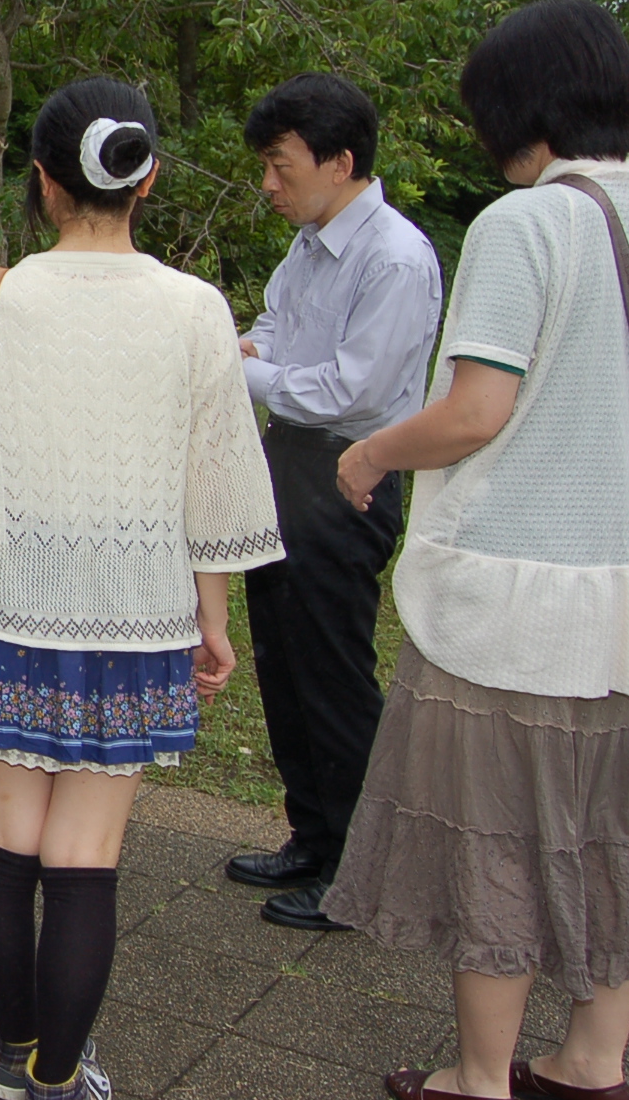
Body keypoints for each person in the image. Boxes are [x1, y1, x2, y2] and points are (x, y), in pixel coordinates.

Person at [325, 0, 629, 1100]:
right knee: (617, 832)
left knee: (494, 835)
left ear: (511, 110)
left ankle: (478, 1075)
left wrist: (371, 456)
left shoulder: (525, 224)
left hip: (510, 603)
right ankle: (593, 1062)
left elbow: (477, 409)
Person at [0, 79, 282, 1100]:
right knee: (85, 856)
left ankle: (15, 1052)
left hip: (7, 610)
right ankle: (61, 1077)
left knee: (4, 842)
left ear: (43, 180)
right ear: (146, 176)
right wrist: (214, 619)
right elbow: (220, 480)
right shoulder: (196, 309)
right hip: (138, 621)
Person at [224, 73, 444, 931]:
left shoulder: (394, 256)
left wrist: (235, 366)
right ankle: (311, 836)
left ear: (340, 160)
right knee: (283, 659)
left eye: (280, 167)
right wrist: (249, 344)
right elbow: (279, 328)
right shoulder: (311, 244)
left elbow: (353, 389)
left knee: (335, 675)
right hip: (288, 465)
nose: (269, 185)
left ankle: (361, 870)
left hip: (350, 476)